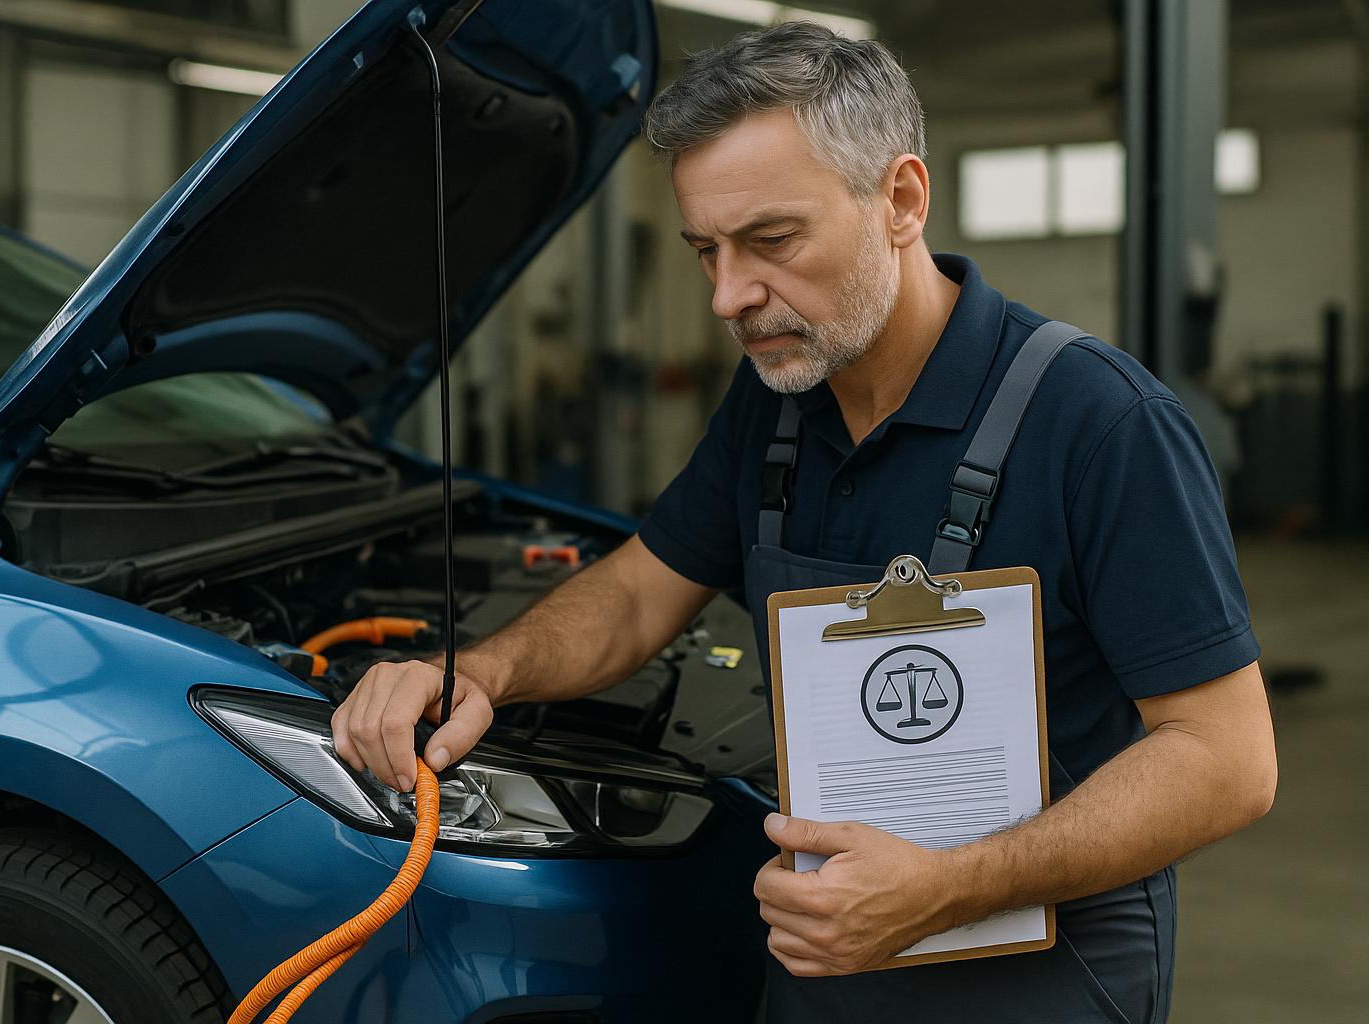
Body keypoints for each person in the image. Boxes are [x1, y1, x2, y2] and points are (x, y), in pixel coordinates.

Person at [331, 22, 1276, 1023]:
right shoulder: (777, 404)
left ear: (901, 200)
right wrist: (482, 672)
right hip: (822, 963)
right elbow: (642, 591)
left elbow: (1226, 761)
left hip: (1037, 983)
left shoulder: (1101, 424)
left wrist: (947, 887)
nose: (729, 296)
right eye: (707, 251)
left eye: (772, 241)